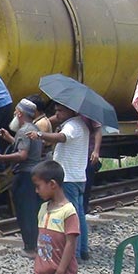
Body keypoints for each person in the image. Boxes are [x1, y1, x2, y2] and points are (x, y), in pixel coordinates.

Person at [29, 103, 91, 261]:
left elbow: (62, 138)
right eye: (56, 110)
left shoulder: (72, 125)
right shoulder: (80, 124)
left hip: (69, 177)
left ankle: (74, 255)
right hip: (78, 176)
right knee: (79, 215)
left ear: (71, 110)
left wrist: (40, 134)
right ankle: (83, 250)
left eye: (60, 110)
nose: (57, 113)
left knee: (71, 218)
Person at [0, 99, 44, 255]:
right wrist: (9, 138)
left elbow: (22, 155)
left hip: (25, 175)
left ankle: (30, 248)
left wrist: (1, 158)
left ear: (19, 113)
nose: (14, 113)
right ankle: (33, 245)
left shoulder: (23, 130)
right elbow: (25, 148)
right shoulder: (33, 128)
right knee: (32, 210)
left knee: (25, 211)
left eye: (16, 111)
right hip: (34, 173)